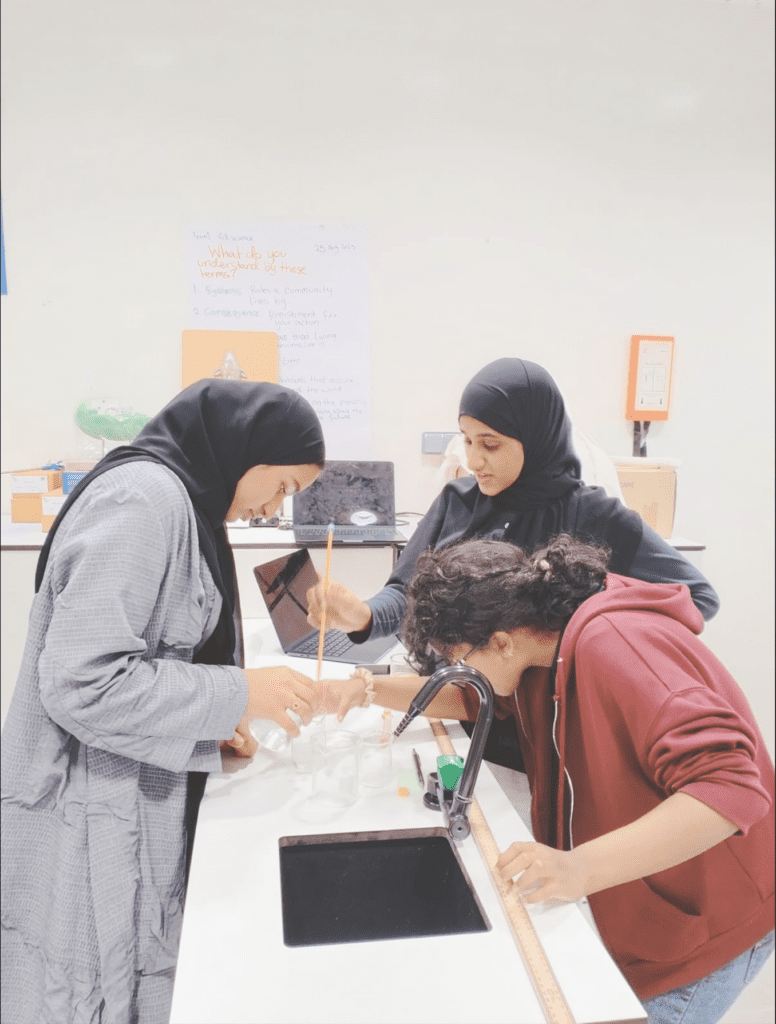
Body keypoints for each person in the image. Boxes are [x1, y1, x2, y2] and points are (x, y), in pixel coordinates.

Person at [327, 535, 774, 1024]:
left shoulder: (617, 645)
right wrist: (366, 689)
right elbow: (472, 695)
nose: (457, 669)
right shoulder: (539, 643)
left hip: (713, 922)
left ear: (500, 642)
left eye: (459, 658)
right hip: (648, 906)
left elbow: (729, 787)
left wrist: (579, 866)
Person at [1, 380, 326, 1024]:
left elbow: (156, 655)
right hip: (85, 802)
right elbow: (83, 682)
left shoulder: (184, 501)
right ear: (246, 453)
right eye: (281, 486)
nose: (272, 508)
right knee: (84, 990)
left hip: (121, 792)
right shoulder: (143, 501)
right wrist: (240, 692)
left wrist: (212, 726)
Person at [309, 357, 720, 767]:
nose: (474, 460)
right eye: (467, 441)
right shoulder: (458, 502)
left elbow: (696, 597)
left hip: (544, 737)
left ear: (536, 437)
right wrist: (364, 616)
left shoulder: (594, 515)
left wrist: (579, 634)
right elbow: (409, 593)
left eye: (490, 445)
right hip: (456, 703)